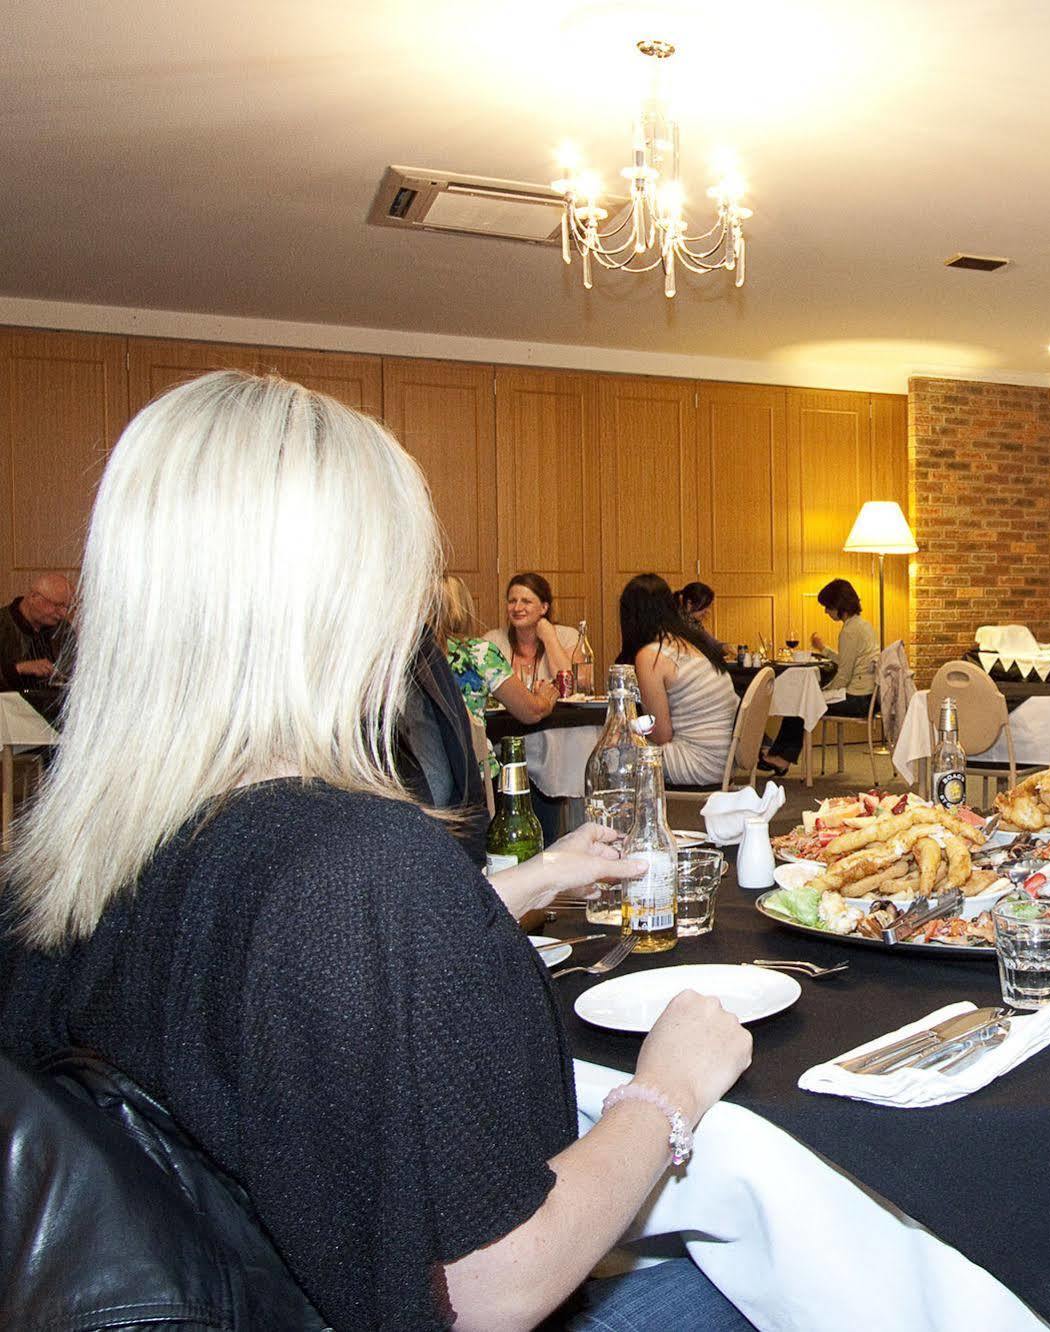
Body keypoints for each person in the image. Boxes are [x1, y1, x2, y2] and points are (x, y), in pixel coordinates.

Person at [0, 371, 752, 1330]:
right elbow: (490, 1291)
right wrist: (667, 1091)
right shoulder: (360, 865)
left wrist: (527, 882)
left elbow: (248, 985)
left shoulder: (56, 864)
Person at [617, 573, 738, 787]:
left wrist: (627, 726)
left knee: (610, 751)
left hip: (696, 762)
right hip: (725, 759)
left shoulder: (652, 655)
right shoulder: (694, 643)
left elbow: (661, 734)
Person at [760, 578, 878, 775]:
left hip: (857, 699)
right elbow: (847, 661)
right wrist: (823, 649)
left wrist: (819, 692)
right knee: (805, 700)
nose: (826, 612)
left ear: (838, 605)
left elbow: (843, 676)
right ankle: (780, 755)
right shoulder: (863, 625)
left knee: (801, 703)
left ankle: (781, 758)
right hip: (869, 696)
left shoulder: (849, 631)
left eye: (828, 607)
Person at [439, 574, 556, 768]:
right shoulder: (478, 652)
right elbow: (531, 712)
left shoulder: (409, 653)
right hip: (472, 772)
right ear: (463, 608)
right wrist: (545, 699)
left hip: (423, 774)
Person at [484, 570, 577, 686]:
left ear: (544, 607)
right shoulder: (492, 641)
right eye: (512, 601)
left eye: (526, 601)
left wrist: (550, 638)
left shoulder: (569, 637)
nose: (517, 608)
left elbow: (570, 686)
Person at [1, 572, 72, 691]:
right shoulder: (3, 625)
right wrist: (19, 669)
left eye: (67, 607)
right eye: (57, 605)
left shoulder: (63, 629)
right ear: (33, 597)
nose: (63, 614)